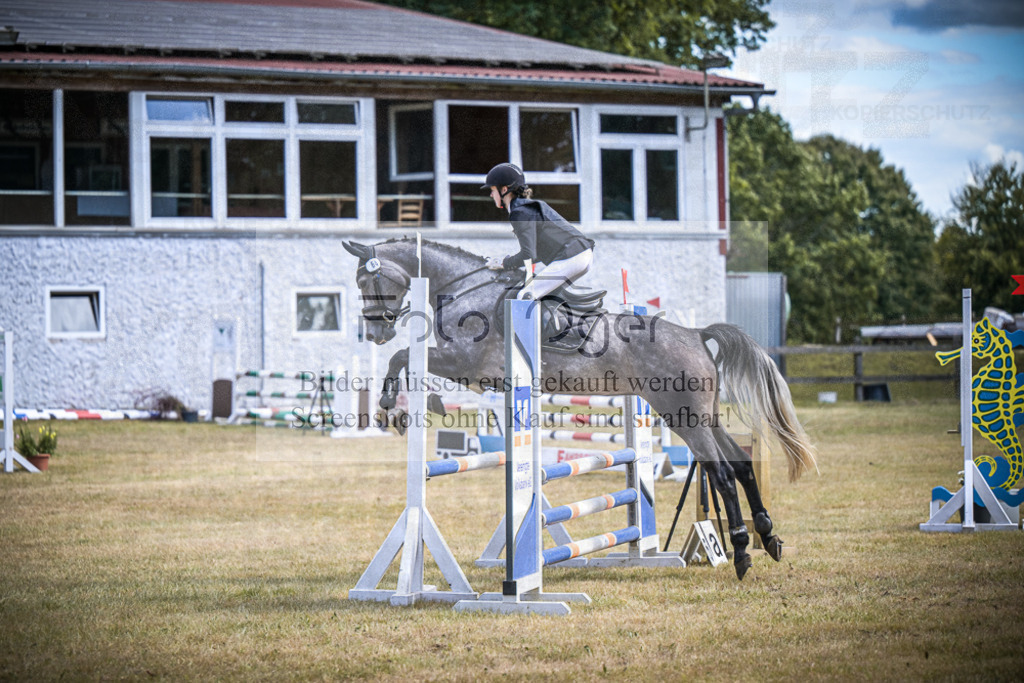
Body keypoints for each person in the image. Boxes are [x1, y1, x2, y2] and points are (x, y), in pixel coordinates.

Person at [482, 163, 595, 302]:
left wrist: (505, 263)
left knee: (525, 296)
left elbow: (529, 254)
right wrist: (508, 262)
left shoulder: (519, 213)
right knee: (546, 298)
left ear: (504, 189)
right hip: (581, 254)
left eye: (493, 190)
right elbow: (535, 253)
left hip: (572, 256)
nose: (491, 194)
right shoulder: (527, 207)